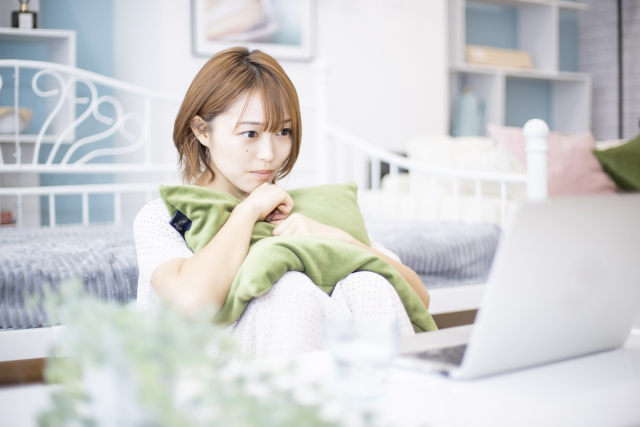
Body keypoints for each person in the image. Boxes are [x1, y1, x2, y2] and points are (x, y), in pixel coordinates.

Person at [134, 47, 431, 356]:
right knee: (286, 288)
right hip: (218, 372)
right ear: (202, 130)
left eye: (283, 131)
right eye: (250, 133)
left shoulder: (307, 210)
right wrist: (248, 210)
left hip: (334, 364)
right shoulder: (165, 217)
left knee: (368, 284)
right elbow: (191, 303)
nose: (269, 154)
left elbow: (418, 298)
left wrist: (341, 239)